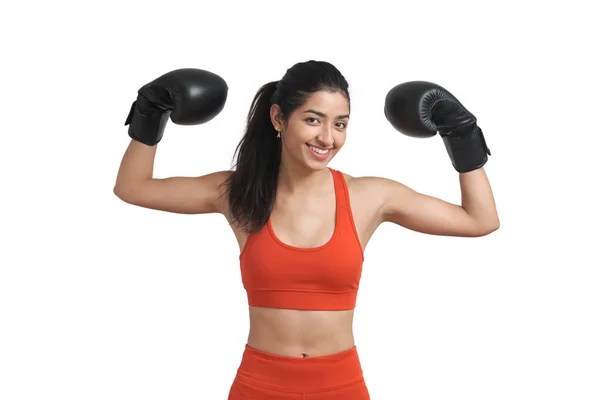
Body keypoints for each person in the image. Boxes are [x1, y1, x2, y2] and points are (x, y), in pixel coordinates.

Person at [114, 61, 499, 399]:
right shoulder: (238, 193)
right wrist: (151, 113)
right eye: (313, 120)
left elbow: (479, 220)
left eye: (340, 124)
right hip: (259, 386)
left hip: (341, 387)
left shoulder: (368, 196)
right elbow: (133, 187)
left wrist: (461, 135)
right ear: (279, 117)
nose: (327, 138)